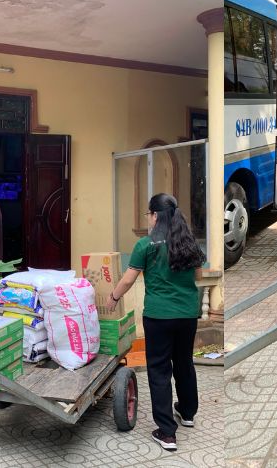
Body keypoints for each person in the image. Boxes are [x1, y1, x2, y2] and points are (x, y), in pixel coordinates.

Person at [105, 193, 205, 452]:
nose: (148, 219)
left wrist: (113, 297)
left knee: (159, 370)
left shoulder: (146, 245)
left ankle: (167, 433)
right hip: (187, 315)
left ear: (155, 216)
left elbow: (128, 279)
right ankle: (187, 412)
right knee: (184, 362)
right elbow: (198, 275)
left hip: (159, 317)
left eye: (148, 214)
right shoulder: (188, 242)